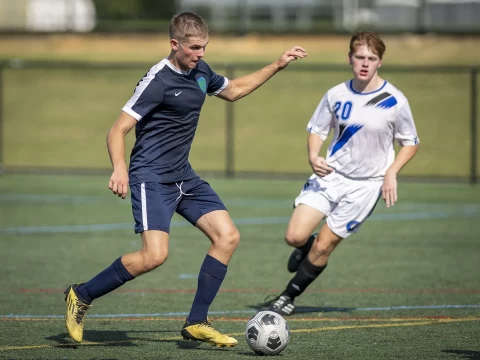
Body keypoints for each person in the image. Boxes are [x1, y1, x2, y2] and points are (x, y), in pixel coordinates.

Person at [64, 12, 307, 347]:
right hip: (151, 178)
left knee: (228, 236)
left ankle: (197, 322)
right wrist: (119, 167)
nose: (201, 54)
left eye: (204, 47)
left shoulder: (201, 71)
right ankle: (81, 294)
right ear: (174, 44)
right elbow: (117, 130)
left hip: (184, 176)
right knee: (154, 256)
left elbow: (234, 90)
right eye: (194, 48)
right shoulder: (157, 80)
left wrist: (277, 64)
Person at [265, 31, 419, 316]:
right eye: (359, 57)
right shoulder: (336, 94)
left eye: (371, 58)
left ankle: (288, 296)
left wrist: (392, 172)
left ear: (379, 62)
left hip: (366, 186)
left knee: (324, 247)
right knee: (294, 236)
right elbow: (317, 129)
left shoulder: (394, 100)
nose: (365, 63)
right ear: (350, 58)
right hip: (330, 176)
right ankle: (304, 246)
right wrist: (313, 156)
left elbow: (410, 142)